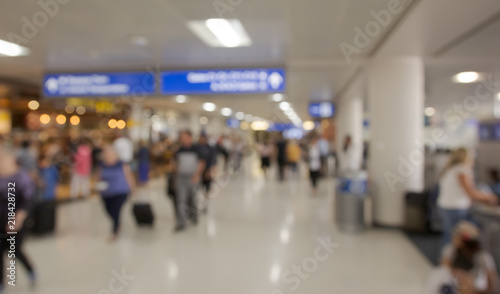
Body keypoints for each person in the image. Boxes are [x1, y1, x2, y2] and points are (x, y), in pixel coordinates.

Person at [437, 148, 497, 246]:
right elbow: (470, 192)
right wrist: (489, 197)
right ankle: (449, 259)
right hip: (455, 208)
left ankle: (445, 259)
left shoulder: (450, 169)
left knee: (449, 235)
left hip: (445, 206)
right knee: (454, 237)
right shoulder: (462, 169)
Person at [0, 146, 36, 292]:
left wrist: (18, 218)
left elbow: (28, 200)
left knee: (14, 251)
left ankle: (30, 270)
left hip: (16, 221)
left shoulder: (21, 177)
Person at [438, 221, 499, 293]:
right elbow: (444, 270)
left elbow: (492, 283)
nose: (453, 237)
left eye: (456, 236)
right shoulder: (451, 250)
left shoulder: (482, 256)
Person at [96, 144, 136, 241]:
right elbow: (98, 177)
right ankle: (117, 225)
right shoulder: (102, 165)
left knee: (116, 210)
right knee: (108, 210)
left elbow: (129, 176)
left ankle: (114, 230)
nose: (108, 155)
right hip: (106, 192)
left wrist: (133, 188)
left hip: (120, 191)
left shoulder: (122, 164)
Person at [173, 130, 205, 232]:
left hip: (193, 177)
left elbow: (201, 163)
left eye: (184, 137)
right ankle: (182, 222)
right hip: (182, 177)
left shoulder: (197, 149)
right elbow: (175, 163)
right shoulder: (179, 150)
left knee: (193, 199)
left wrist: (197, 175)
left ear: (190, 137)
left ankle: (194, 216)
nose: (183, 139)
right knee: (181, 200)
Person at [197, 134, 217, 203]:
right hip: (198, 172)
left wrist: (210, 170)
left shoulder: (210, 148)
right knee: (198, 188)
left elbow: (213, 160)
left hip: (207, 171)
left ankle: (205, 201)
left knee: (207, 188)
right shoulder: (196, 147)